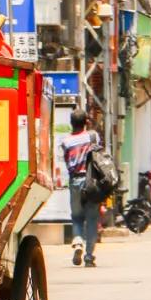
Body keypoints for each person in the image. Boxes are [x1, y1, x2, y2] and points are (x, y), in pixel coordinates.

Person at [62, 109, 101, 267]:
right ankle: (89, 257)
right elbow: (99, 155)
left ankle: (78, 241)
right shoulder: (92, 136)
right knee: (91, 219)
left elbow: (66, 161)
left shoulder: (66, 142)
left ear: (71, 123)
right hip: (91, 182)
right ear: (86, 122)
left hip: (75, 181)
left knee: (77, 217)